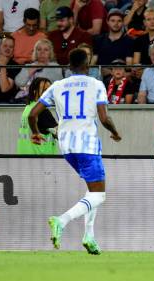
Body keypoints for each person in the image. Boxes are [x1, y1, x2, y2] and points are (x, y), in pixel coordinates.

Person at [29, 48, 121, 255]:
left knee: (92, 191)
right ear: (87, 64)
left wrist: (35, 133)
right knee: (99, 195)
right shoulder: (96, 84)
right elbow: (104, 118)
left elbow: (33, 114)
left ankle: (89, 236)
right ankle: (61, 220)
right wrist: (115, 132)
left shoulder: (57, 86)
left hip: (66, 147)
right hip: (87, 145)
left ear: (69, 66)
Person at [17, 77, 58, 154]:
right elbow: (60, 135)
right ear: (35, 91)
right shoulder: (42, 112)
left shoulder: (28, 108)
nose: (49, 94)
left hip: (24, 158)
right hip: (41, 159)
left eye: (50, 90)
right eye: (45, 90)